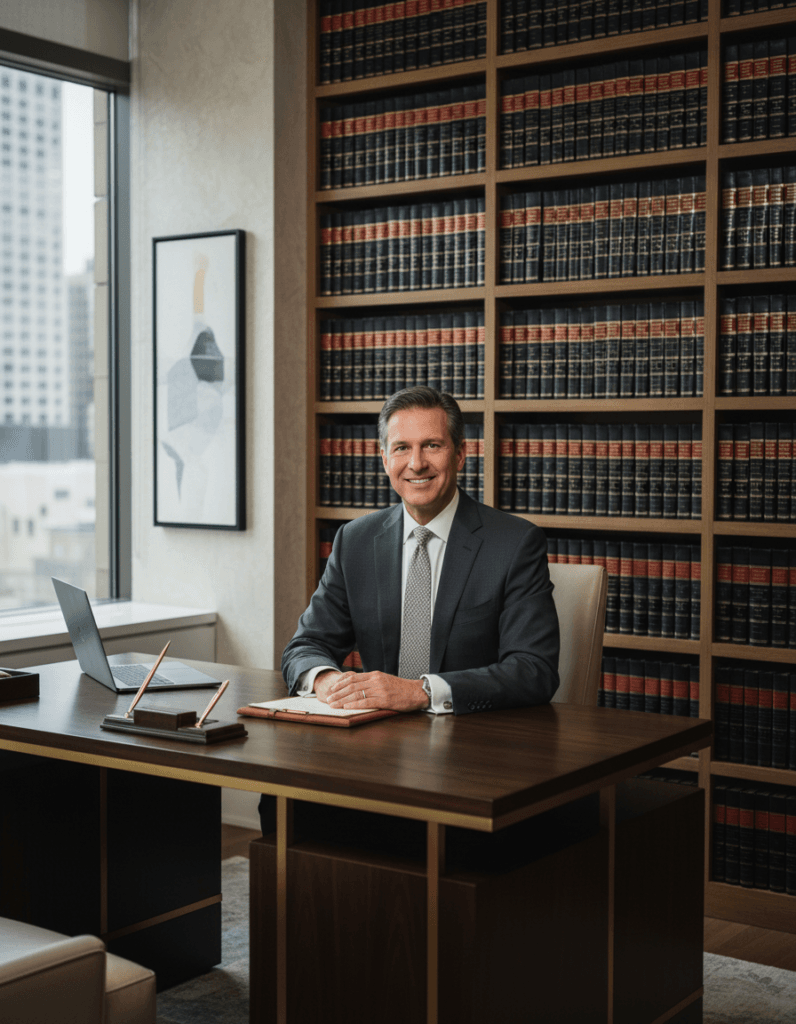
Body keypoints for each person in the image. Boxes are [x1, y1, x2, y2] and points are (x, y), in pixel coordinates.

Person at [281, 386, 560, 715]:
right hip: (375, 740)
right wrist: (327, 680)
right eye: (401, 448)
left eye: (431, 445)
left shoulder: (514, 544)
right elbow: (306, 645)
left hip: (474, 740)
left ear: (459, 454)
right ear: (385, 459)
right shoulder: (354, 541)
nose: (416, 463)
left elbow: (533, 669)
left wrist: (421, 691)